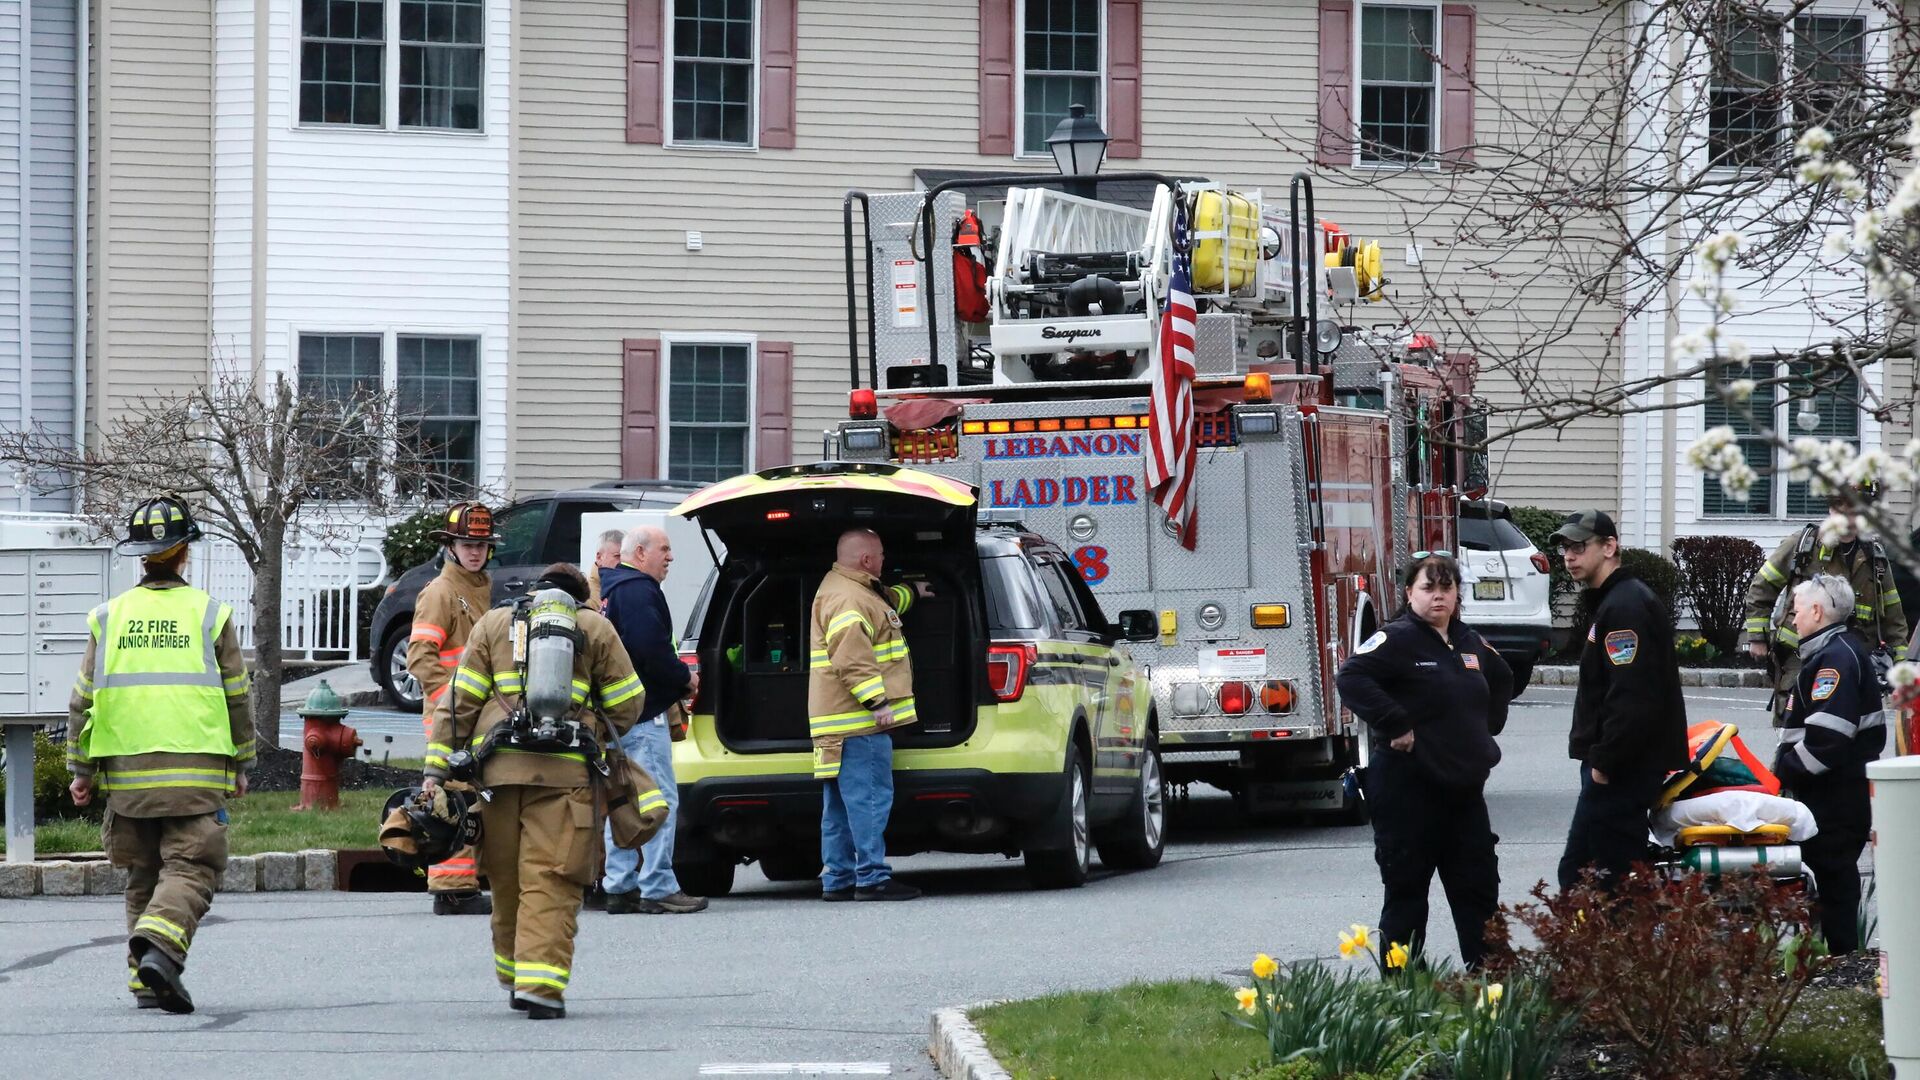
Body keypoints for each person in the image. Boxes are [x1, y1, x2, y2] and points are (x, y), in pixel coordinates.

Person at [425, 563, 646, 1019]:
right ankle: (539, 986)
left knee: (506, 880)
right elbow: (628, 703)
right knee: (551, 879)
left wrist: (435, 771)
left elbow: (457, 704)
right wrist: (593, 728)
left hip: (498, 781)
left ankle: (513, 977)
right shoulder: (594, 627)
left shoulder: (493, 624)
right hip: (565, 781)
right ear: (579, 598)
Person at [64, 495, 253, 1014]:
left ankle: (145, 982)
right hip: (194, 775)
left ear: (141, 556)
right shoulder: (210, 615)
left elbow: (82, 700)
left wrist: (81, 769)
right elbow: (237, 696)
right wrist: (242, 762)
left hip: (126, 779)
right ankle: (159, 948)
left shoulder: (108, 618)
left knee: (143, 874)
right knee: (193, 866)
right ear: (184, 553)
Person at [1336, 552, 1513, 970]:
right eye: (1428, 588)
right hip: (1407, 790)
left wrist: (1482, 729)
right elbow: (1351, 678)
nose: (1438, 596)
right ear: (1409, 593)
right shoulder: (1397, 639)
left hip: (1464, 794)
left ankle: (1490, 989)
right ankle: (1403, 995)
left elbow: (1502, 677)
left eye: (1446, 587)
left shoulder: (1470, 641)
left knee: (1478, 894)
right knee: (1407, 898)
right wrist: (1395, 722)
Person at [1552, 510, 1690, 890]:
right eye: (1565, 547)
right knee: (1597, 876)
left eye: (1579, 546)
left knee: (1594, 879)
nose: (1569, 555)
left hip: (1622, 770)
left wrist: (1604, 764)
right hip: (1620, 766)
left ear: (1610, 547)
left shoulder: (1625, 607)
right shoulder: (1615, 601)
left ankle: (1615, 949)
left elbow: (1632, 696)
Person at [808, 529, 928, 902]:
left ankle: (838, 877)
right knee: (869, 800)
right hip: (857, 722)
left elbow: (885, 603)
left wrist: (914, 592)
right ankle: (873, 877)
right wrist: (878, 703)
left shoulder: (848, 588)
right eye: (880, 555)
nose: (883, 561)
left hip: (836, 724)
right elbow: (851, 657)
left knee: (839, 807)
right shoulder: (848, 599)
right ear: (866, 560)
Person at [598, 526, 705, 915]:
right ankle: (658, 885)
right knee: (660, 800)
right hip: (643, 717)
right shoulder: (639, 590)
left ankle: (619, 886)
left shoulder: (611, 591)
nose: (671, 557)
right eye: (665, 549)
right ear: (640, 554)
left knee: (623, 801)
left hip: (615, 718)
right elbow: (650, 649)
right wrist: (684, 678)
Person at [1775, 574, 1884, 955]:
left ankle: (1842, 966)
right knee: (1830, 887)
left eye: (1797, 610)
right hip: (1836, 798)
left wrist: (1780, 775)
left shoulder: (1834, 661)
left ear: (1817, 612)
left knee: (1833, 885)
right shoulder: (1835, 653)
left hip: (1832, 801)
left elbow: (1826, 744)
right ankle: (1837, 962)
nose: (1793, 619)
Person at [1743, 485, 1908, 726]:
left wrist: (1901, 669)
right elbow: (1761, 587)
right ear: (1832, 509)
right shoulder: (1802, 546)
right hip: (1802, 658)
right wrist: (1757, 636)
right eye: (1845, 512)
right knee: (1795, 731)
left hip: (1854, 663)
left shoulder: (1875, 558)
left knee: (1847, 732)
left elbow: (1894, 617)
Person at [410, 501, 497, 916]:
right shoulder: (442, 592)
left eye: (480, 544)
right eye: (467, 543)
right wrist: (453, 701)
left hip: (472, 714)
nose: (475, 551)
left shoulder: (478, 588)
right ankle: (451, 888)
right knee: (451, 794)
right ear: (450, 545)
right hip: (450, 715)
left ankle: (466, 881)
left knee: (472, 792)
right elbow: (420, 657)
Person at [587, 528, 625, 611]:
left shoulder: (629, 588)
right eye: (617, 556)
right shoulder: (584, 594)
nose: (622, 562)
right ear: (599, 557)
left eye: (625, 557)